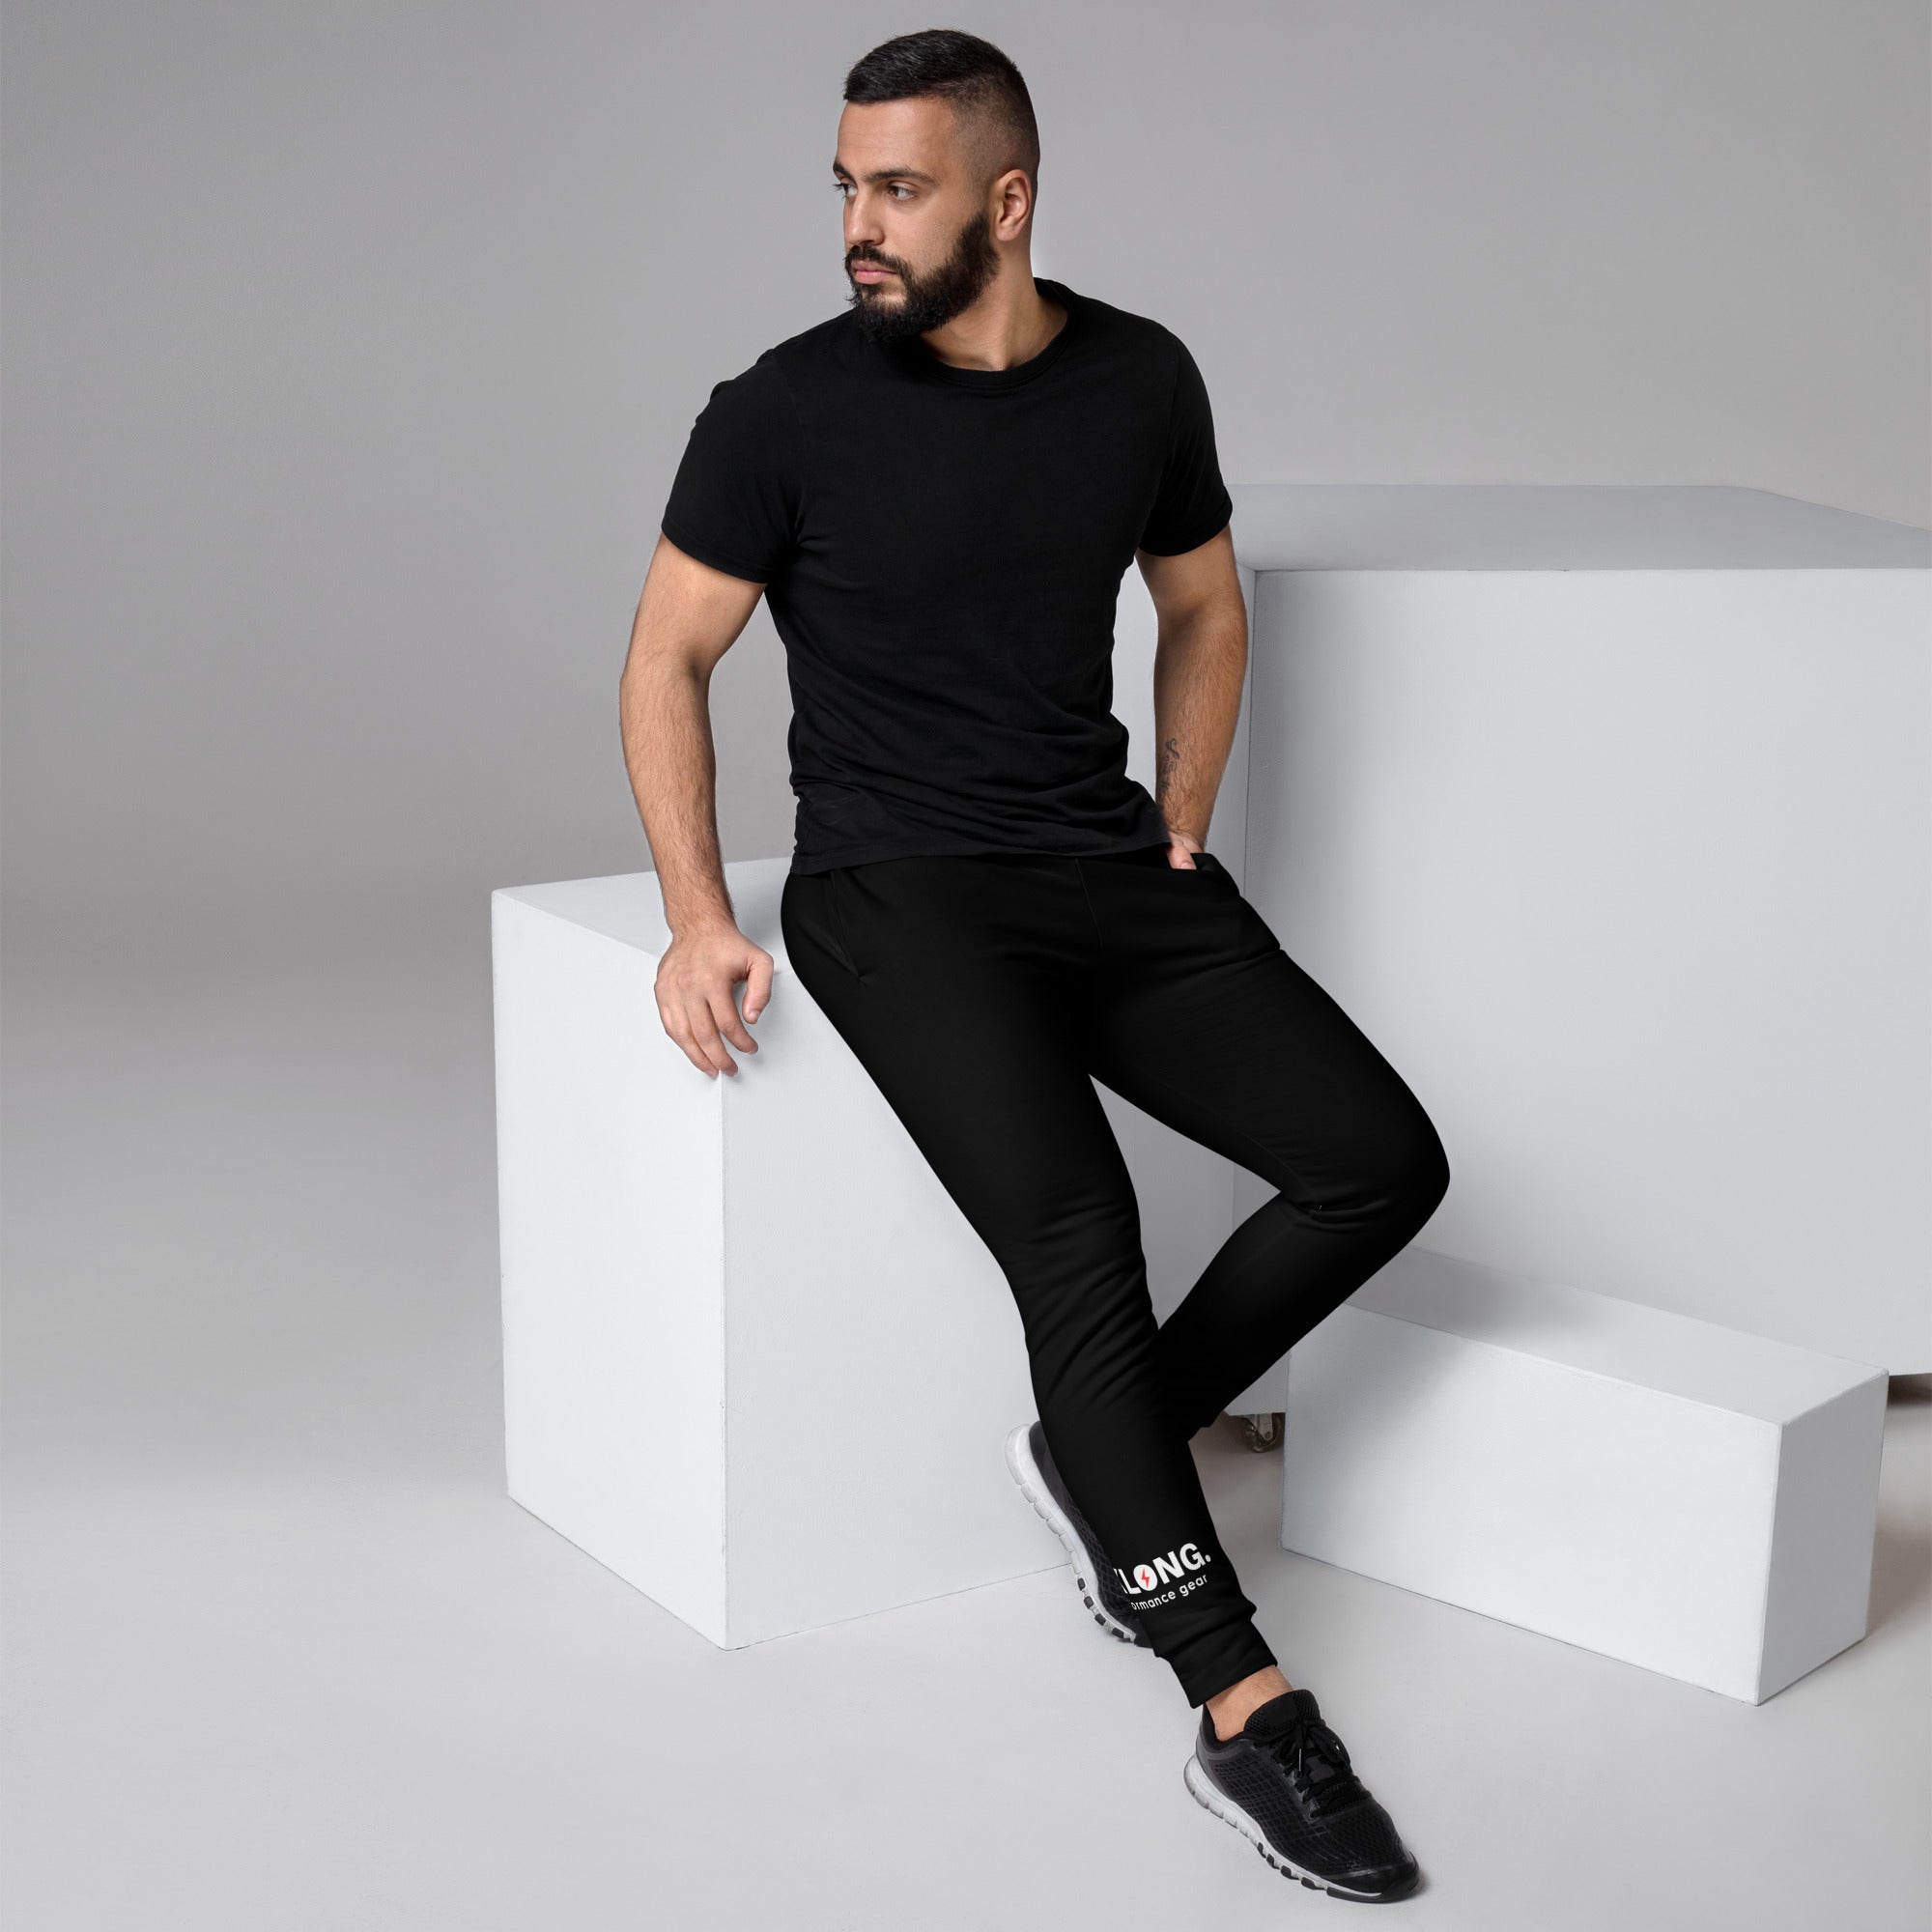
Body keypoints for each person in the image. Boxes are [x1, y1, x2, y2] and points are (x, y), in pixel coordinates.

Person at [619, 27, 1449, 1905]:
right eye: (846, 186)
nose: (859, 224)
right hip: (895, 889)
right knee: (1079, 1231)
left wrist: (1185, 814)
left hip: (1099, 865)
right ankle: (1239, 1698)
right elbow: (665, 656)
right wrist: (695, 911)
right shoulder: (778, 411)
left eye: (898, 189)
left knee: (1378, 1161)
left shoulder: (1140, 376)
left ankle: (1107, 1440)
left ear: (1006, 201)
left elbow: (1202, 601)